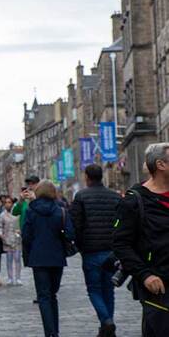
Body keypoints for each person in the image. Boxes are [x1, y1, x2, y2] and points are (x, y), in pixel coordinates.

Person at [113, 143, 169, 337]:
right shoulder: (134, 201)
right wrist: (145, 275)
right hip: (158, 287)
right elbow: (121, 244)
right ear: (161, 165)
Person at [71, 164, 121, 337]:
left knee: (93, 289)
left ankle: (106, 321)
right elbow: (121, 224)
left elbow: (76, 224)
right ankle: (107, 327)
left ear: (87, 177)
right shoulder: (115, 197)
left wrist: (79, 245)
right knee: (109, 290)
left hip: (91, 251)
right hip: (111, 251)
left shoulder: (81, 196)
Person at [23, 180, 75, 337]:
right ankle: (55, 330)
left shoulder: (31, 211)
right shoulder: (61, 211)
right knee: (52, 295)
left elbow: (26, 236)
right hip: (57, 257)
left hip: (38, 258)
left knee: (44, 296)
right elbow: (70, 234)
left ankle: (50, 332)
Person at [0, 196, 22, 285]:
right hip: (7, 239)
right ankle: (10, 278)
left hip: (17, 239)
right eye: (6, 203)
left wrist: (20, 231)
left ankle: (18, 277)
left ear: (12, 204)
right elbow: (0, 226)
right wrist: (0, 233)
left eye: (9, 202)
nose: (8, 204)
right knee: (9, 260)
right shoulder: (2, 215)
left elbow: (20, 224)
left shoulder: (17, 214)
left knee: (17, 259)